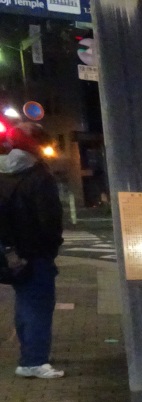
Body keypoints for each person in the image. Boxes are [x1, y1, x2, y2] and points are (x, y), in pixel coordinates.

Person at [0, 122, 64, 378]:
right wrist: (51, 247)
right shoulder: (39, 175)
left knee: (25, 303)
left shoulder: (2, 172)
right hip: (35, 251)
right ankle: (33, 361)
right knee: (38, 306)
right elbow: (49, 218)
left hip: (11, 251)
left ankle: (31, 354)